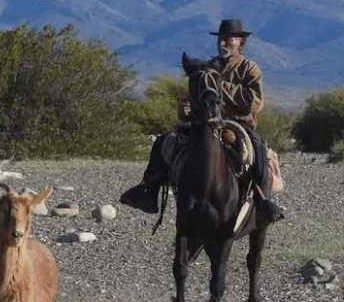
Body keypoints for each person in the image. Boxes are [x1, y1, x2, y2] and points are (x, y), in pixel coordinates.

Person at [120, 19, 284, 225]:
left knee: (258, 148)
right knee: (165, 142)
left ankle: (263, 202)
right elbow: (193, 98)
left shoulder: (249, 67)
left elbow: (255, 102)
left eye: (229, 39)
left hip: (237, 124)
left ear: (240, 42)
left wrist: (220, 85)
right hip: (205, 122)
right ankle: (149, 190)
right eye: (221, 39)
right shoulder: (207, 67)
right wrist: (186, 109)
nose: (223, 43)